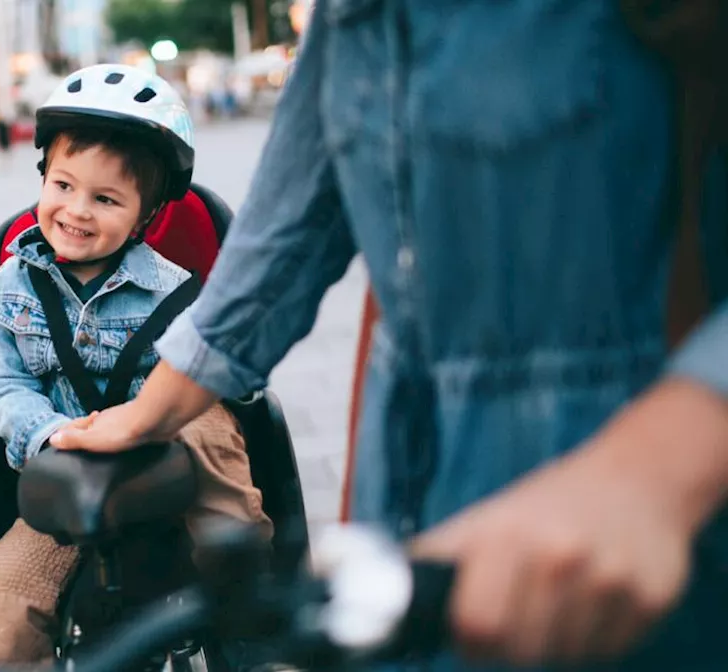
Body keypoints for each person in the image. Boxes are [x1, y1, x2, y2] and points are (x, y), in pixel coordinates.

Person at [50, 1, 728, 670]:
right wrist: (147, 412)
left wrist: (654, 472)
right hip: (405, 495)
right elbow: (281, 236)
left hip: (637, 508)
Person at [0, 64, 271, 664]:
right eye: (62, 186)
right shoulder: (9, 290)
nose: (76, 210)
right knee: (2, 599)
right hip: (69, 478)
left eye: (105, 198)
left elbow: (235, 374)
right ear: (43, 178)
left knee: (202, 413)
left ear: (145, 215)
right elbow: (8, 387)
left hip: (177, 469)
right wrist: (53, 432)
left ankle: (247, 603)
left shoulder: (179, 292)